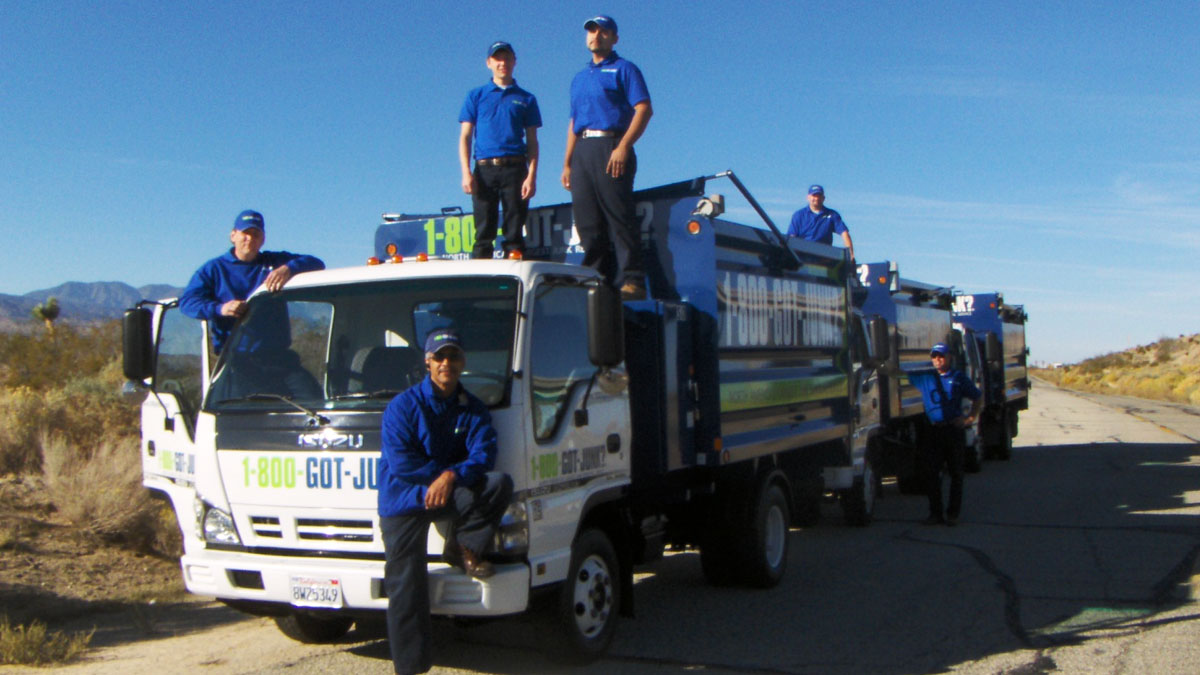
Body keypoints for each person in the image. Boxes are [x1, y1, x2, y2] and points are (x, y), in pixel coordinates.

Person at [378, 330, 513, 675]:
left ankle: (462, 547)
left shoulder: (473, 407)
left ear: (463, 362)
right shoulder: (403, 406)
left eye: (453, 357)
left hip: (446, 490)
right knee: (406, 586)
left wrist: (451, 476)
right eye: (439, 357)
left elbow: (484, 454)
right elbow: (402, 464)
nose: (446, 364)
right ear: (427, 362)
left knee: (497, 484)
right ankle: (411, 668)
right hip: (404, 500)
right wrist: (440, 476)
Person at [561, 14, 653, 300]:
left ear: (614, 38)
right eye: (591, 31)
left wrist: (624, 146)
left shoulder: (625, 69)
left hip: (612, 145)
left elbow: (644, 109)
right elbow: (574, 122)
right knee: (587, 222)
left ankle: (632, 281)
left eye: (603, 32)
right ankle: (595, 279)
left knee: (619, 215)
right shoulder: (579, 78)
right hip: (583, 151)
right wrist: (566, 162)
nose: (596, 36)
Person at [179, 210, 324, 354]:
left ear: (263, 239)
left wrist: (289, 268)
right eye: (245, 233)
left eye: (256, 234)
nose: (250, 238)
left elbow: (317, 263)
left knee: (305, 379)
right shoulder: (213, 269)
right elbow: (187, 303)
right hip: (234, 358)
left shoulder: (274, 261)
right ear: (233, 235)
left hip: (278, 356)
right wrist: (221, 308)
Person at [458, 41, 542, 259]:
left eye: (507, 58)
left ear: (514, 61)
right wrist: (466, 172)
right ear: (489, 63)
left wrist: (531, 176)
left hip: (515, 169)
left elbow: (532, 141)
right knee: (483, 232)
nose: (502, 63)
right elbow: (465, 136)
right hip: (484, 169)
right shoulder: (476, 96)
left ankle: (514, 282)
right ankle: (480, 285)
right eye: (497, 58)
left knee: (514, 234)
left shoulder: (526, 98)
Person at [911, 342, 983, 527]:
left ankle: (953, 514)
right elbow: (898, 373)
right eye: (934, 356)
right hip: (934, 430)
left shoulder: (958, 378)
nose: (937, 360)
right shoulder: (926, 377)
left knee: (956, 473)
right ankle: (935, 514)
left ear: (949, 357)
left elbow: (977, 397)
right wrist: (877, 364)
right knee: (932, 474)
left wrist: (969, 419)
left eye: (941, 356)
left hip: (953, 430)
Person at [786, 185, 855, 262]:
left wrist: (850, 255)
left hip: (824, 257)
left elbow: (845, 234)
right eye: (814, 196)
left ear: (823, 198)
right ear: (808, 197)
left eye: (819, 196)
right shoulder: (799, 215)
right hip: (803, 256)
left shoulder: (832, 214)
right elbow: (791, 237)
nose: (816, 198)